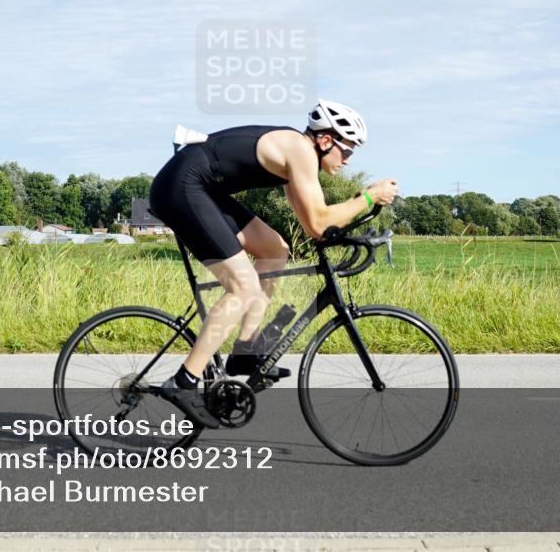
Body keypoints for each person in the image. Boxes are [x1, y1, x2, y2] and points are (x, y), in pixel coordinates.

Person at [148, 99, 399, 427]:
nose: (348, 159)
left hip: (201, 188)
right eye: (347, 150)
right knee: (242, 287)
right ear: (326, 140)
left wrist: (354, 227)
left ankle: (245, 351)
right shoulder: (300, 151)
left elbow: (312, 227)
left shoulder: (299, 156)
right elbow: (320, 222)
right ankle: (184, 381)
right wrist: (368, 197)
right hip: (181, 188)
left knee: (275, 250)